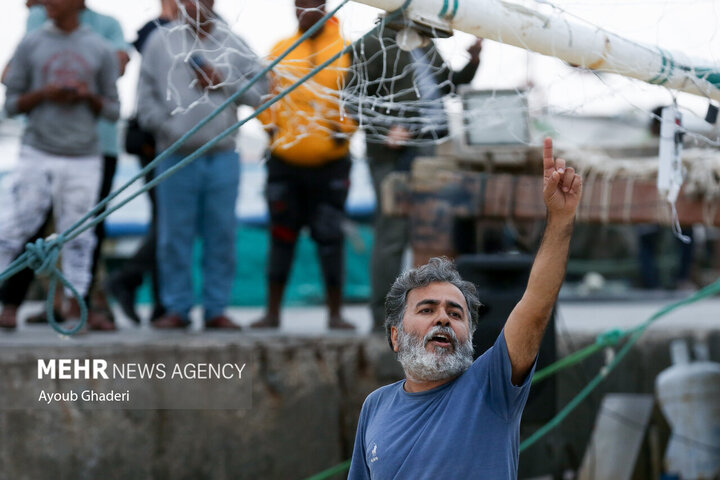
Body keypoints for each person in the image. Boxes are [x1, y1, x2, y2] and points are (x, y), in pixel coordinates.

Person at [348, 138, 582, 478]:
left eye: (455, 314)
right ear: (395, 337)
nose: (443, 317)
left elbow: (535, 306)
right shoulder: (375, 406)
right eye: (427, 310)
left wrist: (560, 218)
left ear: (470, 336)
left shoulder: (491, 386)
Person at [0, 0, 131, 331]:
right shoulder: (31, 42)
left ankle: (76, 309)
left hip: (85, 155)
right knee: (17, 229)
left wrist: (87, 96)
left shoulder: (100, 45)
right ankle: (9, 304)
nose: (48, 2)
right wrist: (43, 93)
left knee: (81, 235)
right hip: (37, 150)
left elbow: (114, 109)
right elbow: (11, 103)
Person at [136, 0, 268, 330]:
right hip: (174, 154)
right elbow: (144, 98)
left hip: (222, 153)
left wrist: (223, 81)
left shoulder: (233, 41)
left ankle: (215, 309)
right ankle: (177, 308)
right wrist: (167, 129)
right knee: (172, 237)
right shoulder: (159, 41)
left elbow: (264, 90)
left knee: (221, 235)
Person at [347, 18, 483, 332]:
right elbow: (353, 102)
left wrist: (473, 60)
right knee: (392, 235)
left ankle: (432, 318)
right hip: (396, 154)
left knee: (434, 234)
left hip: (433, 147)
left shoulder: (422, 37)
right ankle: (382, 321)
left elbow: (448, 84)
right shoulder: (369, 43)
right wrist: (387, 129)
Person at [250, 0, 357, 330]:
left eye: (313, 3)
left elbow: (358, 99)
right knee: (281, 236)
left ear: (326, 7)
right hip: (285, 164)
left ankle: (336, 313)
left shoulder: (347, 49)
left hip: (332, 166)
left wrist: (343, 131)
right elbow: (266, 97)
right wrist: (270, 128)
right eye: (299, 4)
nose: (306, 9)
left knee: (330, 237)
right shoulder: (280, 49)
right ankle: (272, 313)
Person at [105, 0, 179, 324]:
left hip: (174, 135)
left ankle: (163, 301)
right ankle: (131, 281)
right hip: (156, 138)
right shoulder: (156, 32)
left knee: (169, 219)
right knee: (170, 219)